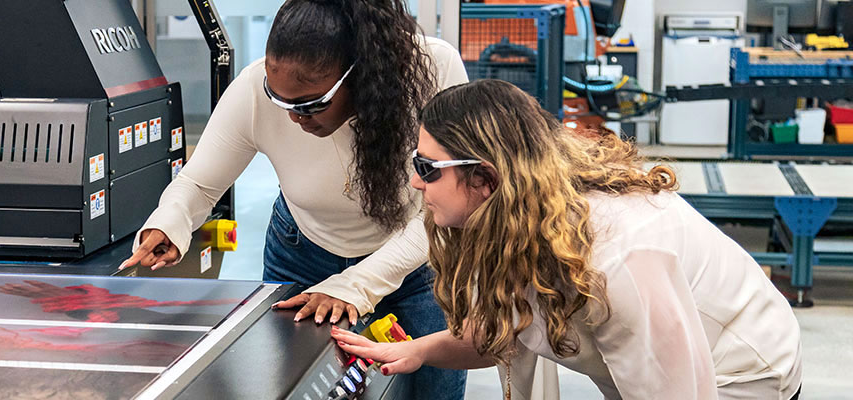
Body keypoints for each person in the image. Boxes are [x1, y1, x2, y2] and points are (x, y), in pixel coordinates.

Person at [331, 79, 804, 399]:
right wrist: (419, 350)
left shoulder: (619, 260)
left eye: (427, 169)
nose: (415, 183)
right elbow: (509, 324)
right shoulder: (515, 218)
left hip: (743, 377)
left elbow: (676, 391)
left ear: (486, 179)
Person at [118, 0, 469, 397]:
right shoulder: (253, 91)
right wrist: (170, 221)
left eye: (311, 104)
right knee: (295, 387)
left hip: (416, 266)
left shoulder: (431, 71)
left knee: (434, 389)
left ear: (362, 74)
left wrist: (355, 284)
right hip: (303, 259)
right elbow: (199, 183)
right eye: (279, 99)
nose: (294, 117)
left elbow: (442, 215)